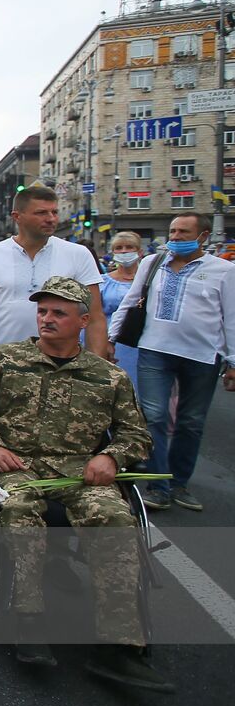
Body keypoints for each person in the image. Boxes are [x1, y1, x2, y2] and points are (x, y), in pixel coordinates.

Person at [0, 276, 170, 692]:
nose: (47, 319)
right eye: (43, 311)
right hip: (18, 466)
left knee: (113, 517)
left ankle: (119, 646)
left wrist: (111, 456)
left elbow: (137, 435)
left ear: (83, 321)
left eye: (59, 313)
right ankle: (28, 618)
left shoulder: (107, 376)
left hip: (81, 472)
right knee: (18, 509)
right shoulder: (6, 360)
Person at [109, 214, 235, 512]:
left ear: (203, 236)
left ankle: (180, 483)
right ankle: (158, 485)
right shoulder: (153, 264)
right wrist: (112, 339)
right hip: (155, 350)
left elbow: (231, 318)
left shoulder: (224, 270)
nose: (176, 237)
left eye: (183, 232)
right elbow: (131, 302)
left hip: (202, 356)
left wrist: (232, 361)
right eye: (173, 231)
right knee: (153, 416)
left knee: (190, 423)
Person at [0, 186, 107, 371]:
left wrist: (96, 371)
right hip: (1, 363)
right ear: (17, 217)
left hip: (61, 365)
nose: (51, 218)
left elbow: (95, 317)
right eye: (41, 213)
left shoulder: (78, 254)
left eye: (54, 212)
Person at [97, 231, 143, 388]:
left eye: (129, 247)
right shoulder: (103, 282)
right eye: (119, 248)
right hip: (110, 341)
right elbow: (95, 315)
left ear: (139, 251)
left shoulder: (151, 280)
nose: (124, 251)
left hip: (141, 342)